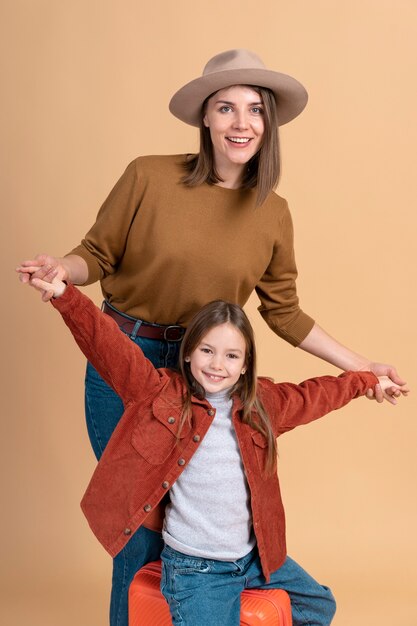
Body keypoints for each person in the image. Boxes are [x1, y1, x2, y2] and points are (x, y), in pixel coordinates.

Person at [17, 49, 407, 626]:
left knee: (197, 522)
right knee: (141, 526)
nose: (240, 123)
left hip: (206, 369)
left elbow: (286, 312)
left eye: (254, 110)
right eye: (226, 108)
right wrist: (62, 273)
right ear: (205, 117)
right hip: (126, 362)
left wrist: (365, 367)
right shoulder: (148, 175)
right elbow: (94, 255)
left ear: (269, 123)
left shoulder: (273, 213)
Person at [21, 267, 407, 626]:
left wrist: (366, 381)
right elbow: (109, 347)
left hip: (254, 561)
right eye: (207, 350)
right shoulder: (160, 394)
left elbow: (317, 394)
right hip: (196, 571)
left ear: (245, 364)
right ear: (188, 352)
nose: (217, 364)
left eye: (231, 355)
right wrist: (63, 295)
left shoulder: (262, 406)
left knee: (319, 605)